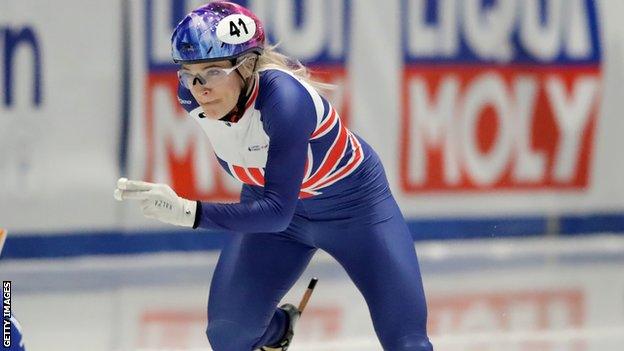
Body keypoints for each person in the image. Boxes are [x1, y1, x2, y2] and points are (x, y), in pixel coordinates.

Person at [115, 2, 433, 350]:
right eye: (189, 73)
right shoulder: (191, 96)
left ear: (248, 66)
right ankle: (278, 328)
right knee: (228, 335)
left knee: (408, 343)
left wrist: (187, 212)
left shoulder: (286, 101)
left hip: (356, 212)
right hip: (276, 218)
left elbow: (277, 211)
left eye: (214, 71)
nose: (200, 87)